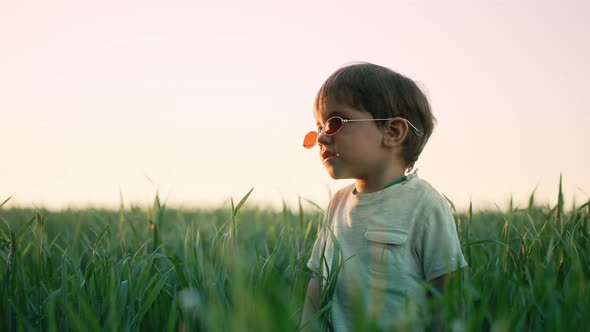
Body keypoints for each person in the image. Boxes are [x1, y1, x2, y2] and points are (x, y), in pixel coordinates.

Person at [300, 62, 467, 332]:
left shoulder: (425, 205)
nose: (320, 138)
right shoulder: (337, 205)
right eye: (318, 127)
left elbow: (446, 296)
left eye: (333, 123)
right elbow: (317, 284)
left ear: (392, 132)